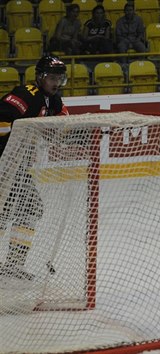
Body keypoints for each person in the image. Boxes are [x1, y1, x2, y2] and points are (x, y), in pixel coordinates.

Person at [0, 55, 69, 281]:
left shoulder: (54, 101)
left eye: (60, 78)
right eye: (52, 78)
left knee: (30, 209)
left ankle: (13, 263)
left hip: (18, 169)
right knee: (3, 213)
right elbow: (2, 118)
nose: (56, 83)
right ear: (40, 77)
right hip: (3, 166)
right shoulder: (24, 94)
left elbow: (63, 124)